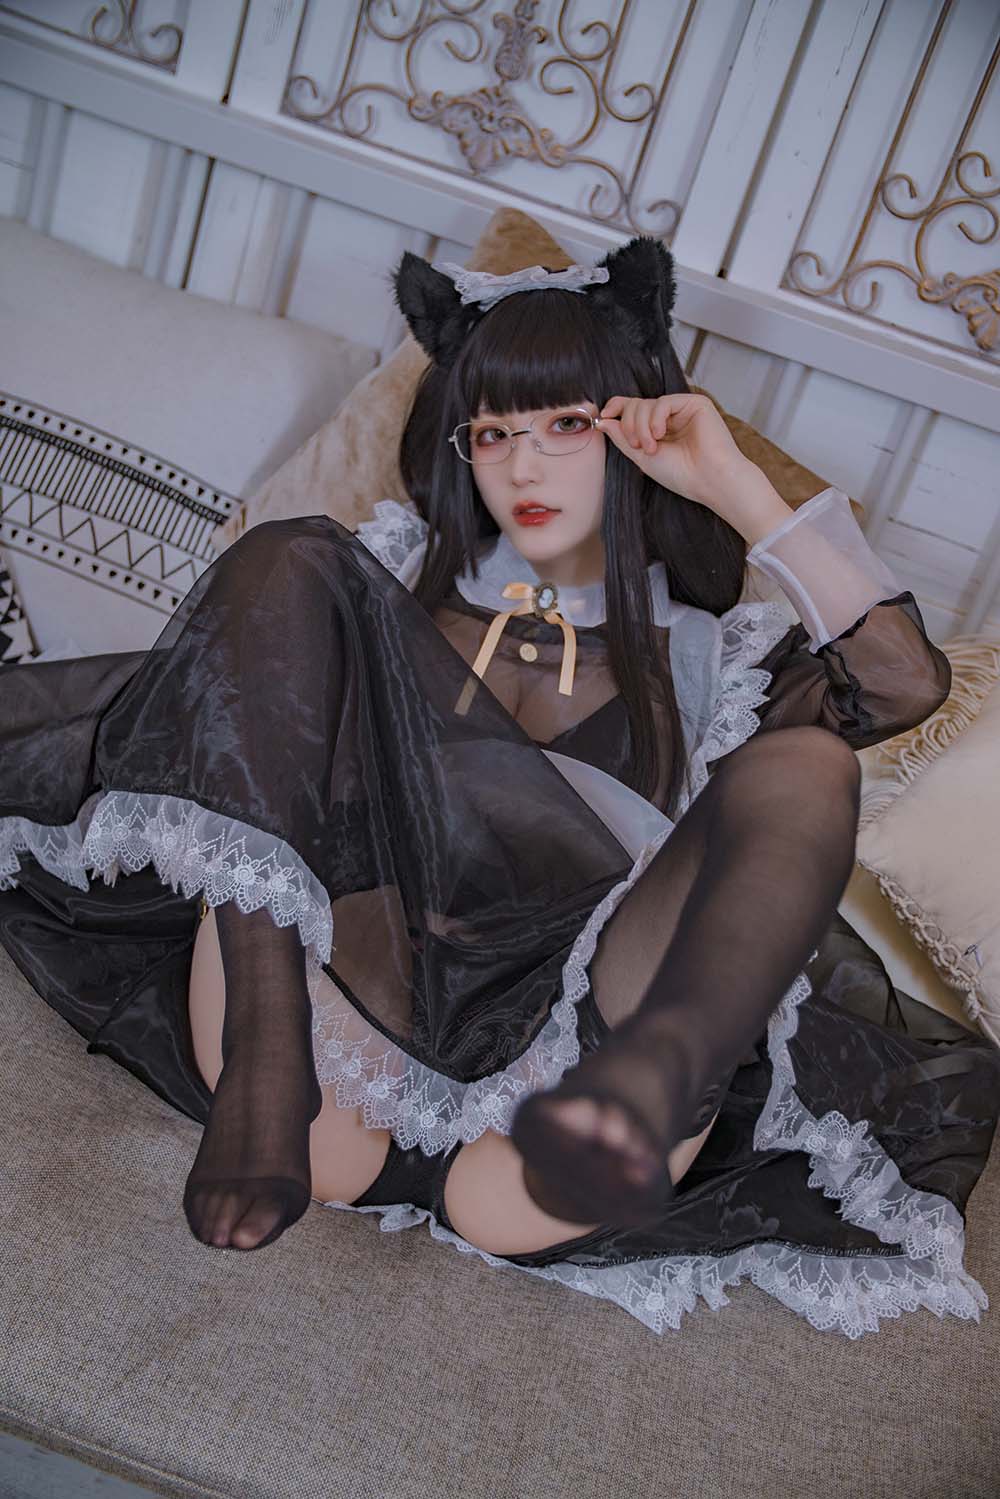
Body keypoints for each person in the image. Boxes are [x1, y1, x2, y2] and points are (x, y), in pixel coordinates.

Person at [2, 237, 997, 1338]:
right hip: (329, 1055)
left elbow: (900, 683)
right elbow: (222, 727)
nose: (523, 468)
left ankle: (655, 1075)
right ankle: (264, 1058)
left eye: (565, 424)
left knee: (808, 761)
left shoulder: (718, 660)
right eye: (492, 433)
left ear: (632, 430)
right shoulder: (378, 585)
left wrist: (730, 482)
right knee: (287, 559)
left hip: (565, 1109)